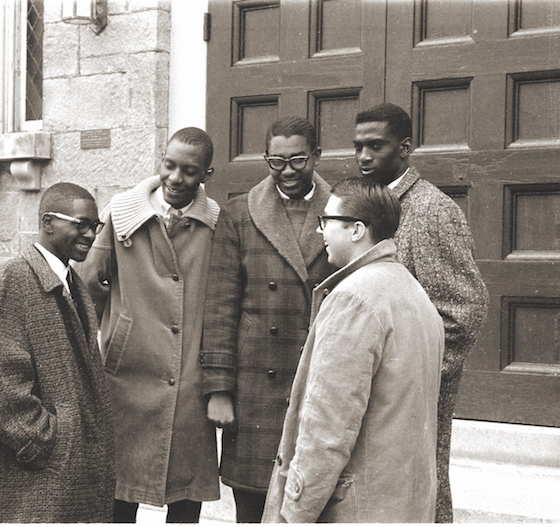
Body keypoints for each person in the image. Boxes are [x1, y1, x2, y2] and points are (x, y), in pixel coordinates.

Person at [261, 177, 444, 523]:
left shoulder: (354, 298)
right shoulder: (413, 292)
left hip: (357, 510)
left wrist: (294, 515)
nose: (321, 232)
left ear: (357, 229)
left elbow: (327, 428)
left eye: (326, 222)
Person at [353, 102, 489, 522]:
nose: (363, 157)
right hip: (368, 385)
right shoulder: (361, 203)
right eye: (358, 146)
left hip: (413, 393)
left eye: (376, 145)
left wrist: (407, 375)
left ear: (406, 148)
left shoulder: (432, 211)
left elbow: (464, 310)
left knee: (417, 494)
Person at [76, 127, 220, 523]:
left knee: (186, 497)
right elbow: (89, 285)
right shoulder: (123, 213)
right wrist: (113, 340)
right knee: (119, 492)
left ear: (207, 175)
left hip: (189, 372)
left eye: (189, 171)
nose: (176, 178)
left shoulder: (215, 224)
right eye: (169, 166)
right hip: (128, 372)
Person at [0, 183, 115, 522]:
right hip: (29, 476)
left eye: (95, 227)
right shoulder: (13, 279)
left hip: (64, 474)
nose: (89, 234)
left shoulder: (72, 282)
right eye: (80, 224)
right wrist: (45, 441)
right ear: (48, 222)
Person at [200, 117, 337, 522]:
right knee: (253, 505)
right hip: (255, 383)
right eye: (277, 161)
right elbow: (221, 305)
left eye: (298, 160)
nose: (288, 171)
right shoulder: (239, 213)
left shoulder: (342, 208)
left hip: (317, 375)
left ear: (316, 156)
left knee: (314, 495)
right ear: (265, 159)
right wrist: (219, 390)